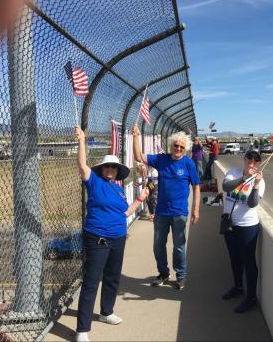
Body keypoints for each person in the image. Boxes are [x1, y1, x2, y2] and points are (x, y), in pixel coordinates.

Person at [74, 126, 149, 342]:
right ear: (102, 168)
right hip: (97, 238)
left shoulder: (117, 188)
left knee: (113, 277)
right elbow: (81, 164)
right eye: (107, 166)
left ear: (117, 171)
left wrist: (140, 199)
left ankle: (106, 312)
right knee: (90, 281)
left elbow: (124, 212)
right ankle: (82, 329)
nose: (110, 170)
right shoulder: (94, 181)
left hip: (118, 238)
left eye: (114, 168)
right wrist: (82, 140)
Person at [132, 125, 200, 290]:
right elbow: (139, 156)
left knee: (179, 246)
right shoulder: (162, 159)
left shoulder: (189, 164)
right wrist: (135, 137)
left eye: (181, 147)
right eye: (176, 145)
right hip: (161, 212)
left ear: (186, 149)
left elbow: (196, 187)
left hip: (179, 213)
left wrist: (196, 209)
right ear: (171, 146)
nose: (178, 148)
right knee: (158, 245)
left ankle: (181, 275)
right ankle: (163, 273)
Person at [221, 149, 265, 313]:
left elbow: (253, 204)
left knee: (248, 261)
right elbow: (226, 187)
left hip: (248, 226)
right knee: (234, 258)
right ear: (244, 159)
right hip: (230, 224)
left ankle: (251, 297)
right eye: (249, 159)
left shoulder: (260, 181)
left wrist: (255, 185)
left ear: (258, 163)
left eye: (255, 161)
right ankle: (238, 287)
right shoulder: (233, 172)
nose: (251, 163)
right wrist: (244, 178)